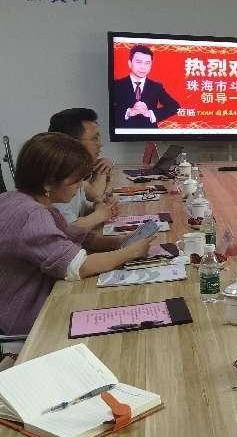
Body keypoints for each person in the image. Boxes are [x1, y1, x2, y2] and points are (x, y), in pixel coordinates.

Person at [0, 133, 156, 335]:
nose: (80, 186)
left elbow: (77, 236)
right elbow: (78, 266)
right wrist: (131, 252)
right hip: (28, 320)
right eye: (75, 181)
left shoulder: (15, 199)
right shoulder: (32, 214)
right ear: (48, 183)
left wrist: (119, 242)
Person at [48, 107, 118, 229]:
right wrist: (100, 214)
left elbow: (80, 210)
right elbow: (70, 229)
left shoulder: (75, 172)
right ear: (72, 143)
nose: (100, 144)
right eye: (94, 138)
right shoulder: (55, 178)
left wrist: (99, 207)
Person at [112, 44, 180, 128]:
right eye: (139, 62)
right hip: (123, 131)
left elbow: (175, 107)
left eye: (147, 63)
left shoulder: (156, 87)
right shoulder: (117, 85)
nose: (143, 67)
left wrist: (150, 113)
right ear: (130, 63)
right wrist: (129, 112)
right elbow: (108, 109)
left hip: (149, 132)